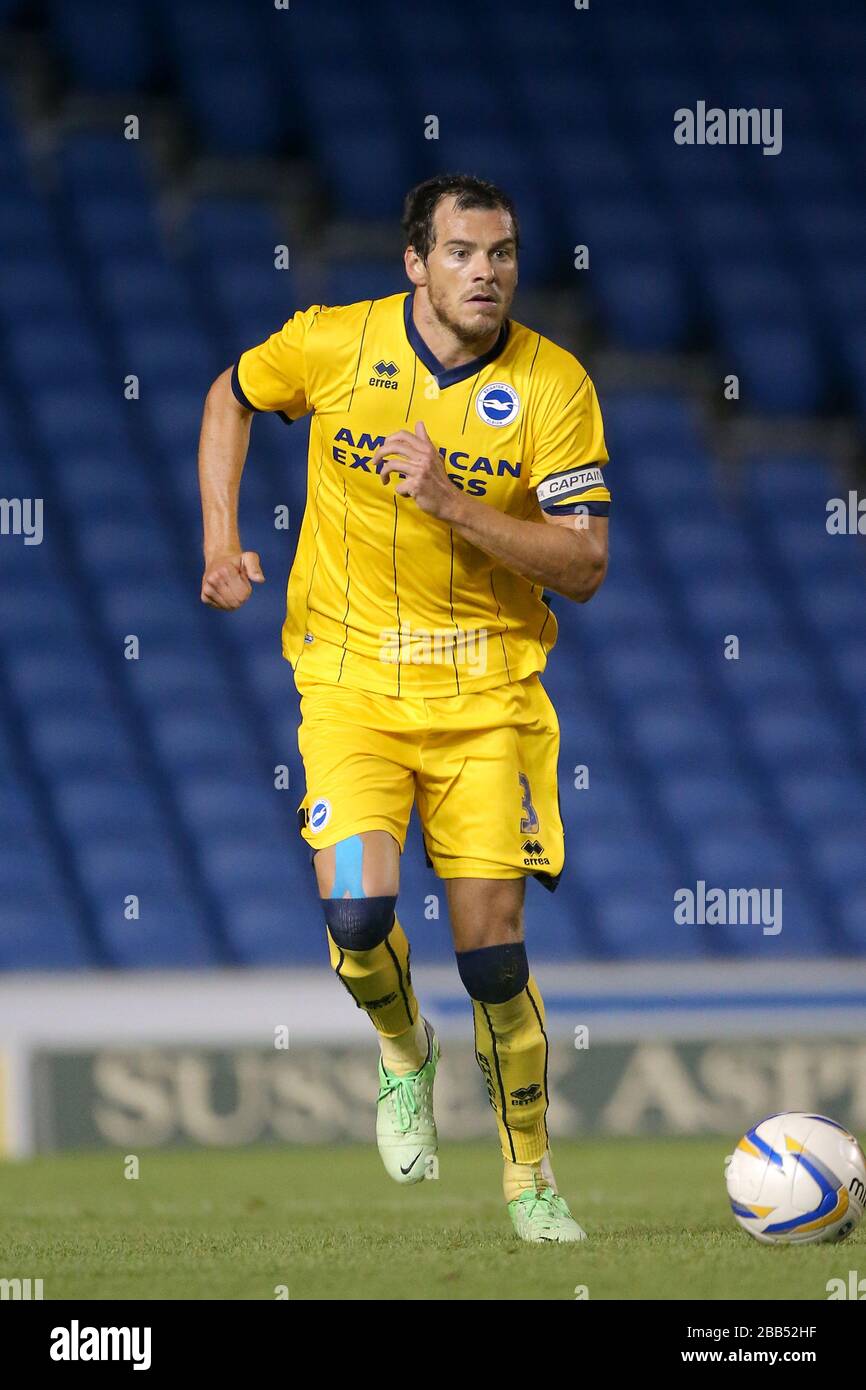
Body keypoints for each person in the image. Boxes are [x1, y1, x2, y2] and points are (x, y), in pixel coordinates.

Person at [198, 173, 610, 1241]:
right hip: (347, 691)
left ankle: (529, 1179)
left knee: (493, 958)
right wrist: (218, 540)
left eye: (504, 252)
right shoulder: (333, 342)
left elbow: (584, 564)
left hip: (485, 700)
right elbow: (229, 396)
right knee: (354, 916)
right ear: (415, 264)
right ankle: (402, 1050)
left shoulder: (553, 385)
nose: (488, 272)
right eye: (464, 253)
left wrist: (449, 499)